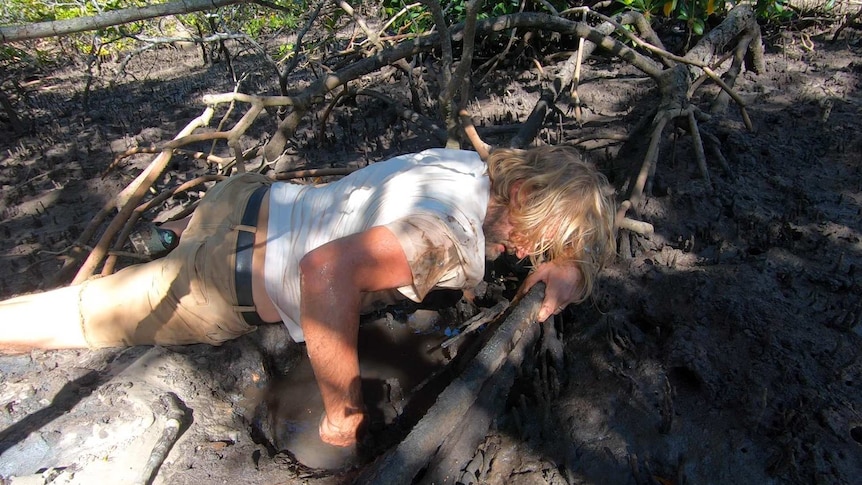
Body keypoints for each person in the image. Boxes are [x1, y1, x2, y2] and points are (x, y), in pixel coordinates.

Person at [0, 145, 616, 447]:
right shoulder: (451, 237)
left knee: (166, 267)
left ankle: (166, 248)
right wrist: (340, 410)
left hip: (243, 202)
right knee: (71, 321)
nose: (523, 254)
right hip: (225, 284)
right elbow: (324, 274)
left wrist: (574, 270)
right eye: (535, 240)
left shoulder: (471, 168)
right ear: (523, 197)